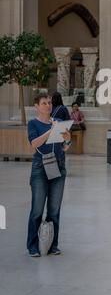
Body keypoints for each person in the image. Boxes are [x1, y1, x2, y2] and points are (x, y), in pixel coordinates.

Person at [26, 93, 72, 257]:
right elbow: (34, 144)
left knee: (54, 209)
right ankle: (32, 245)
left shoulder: (58, 122)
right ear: (37, 106)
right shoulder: (33, 124)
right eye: (44, 103)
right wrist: (51, 131)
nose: (48, 105)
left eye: (49, 103)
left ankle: (53, 245)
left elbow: (65, 147)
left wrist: (67, 138)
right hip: (40, 167)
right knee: (37, 209)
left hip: (58, 165)